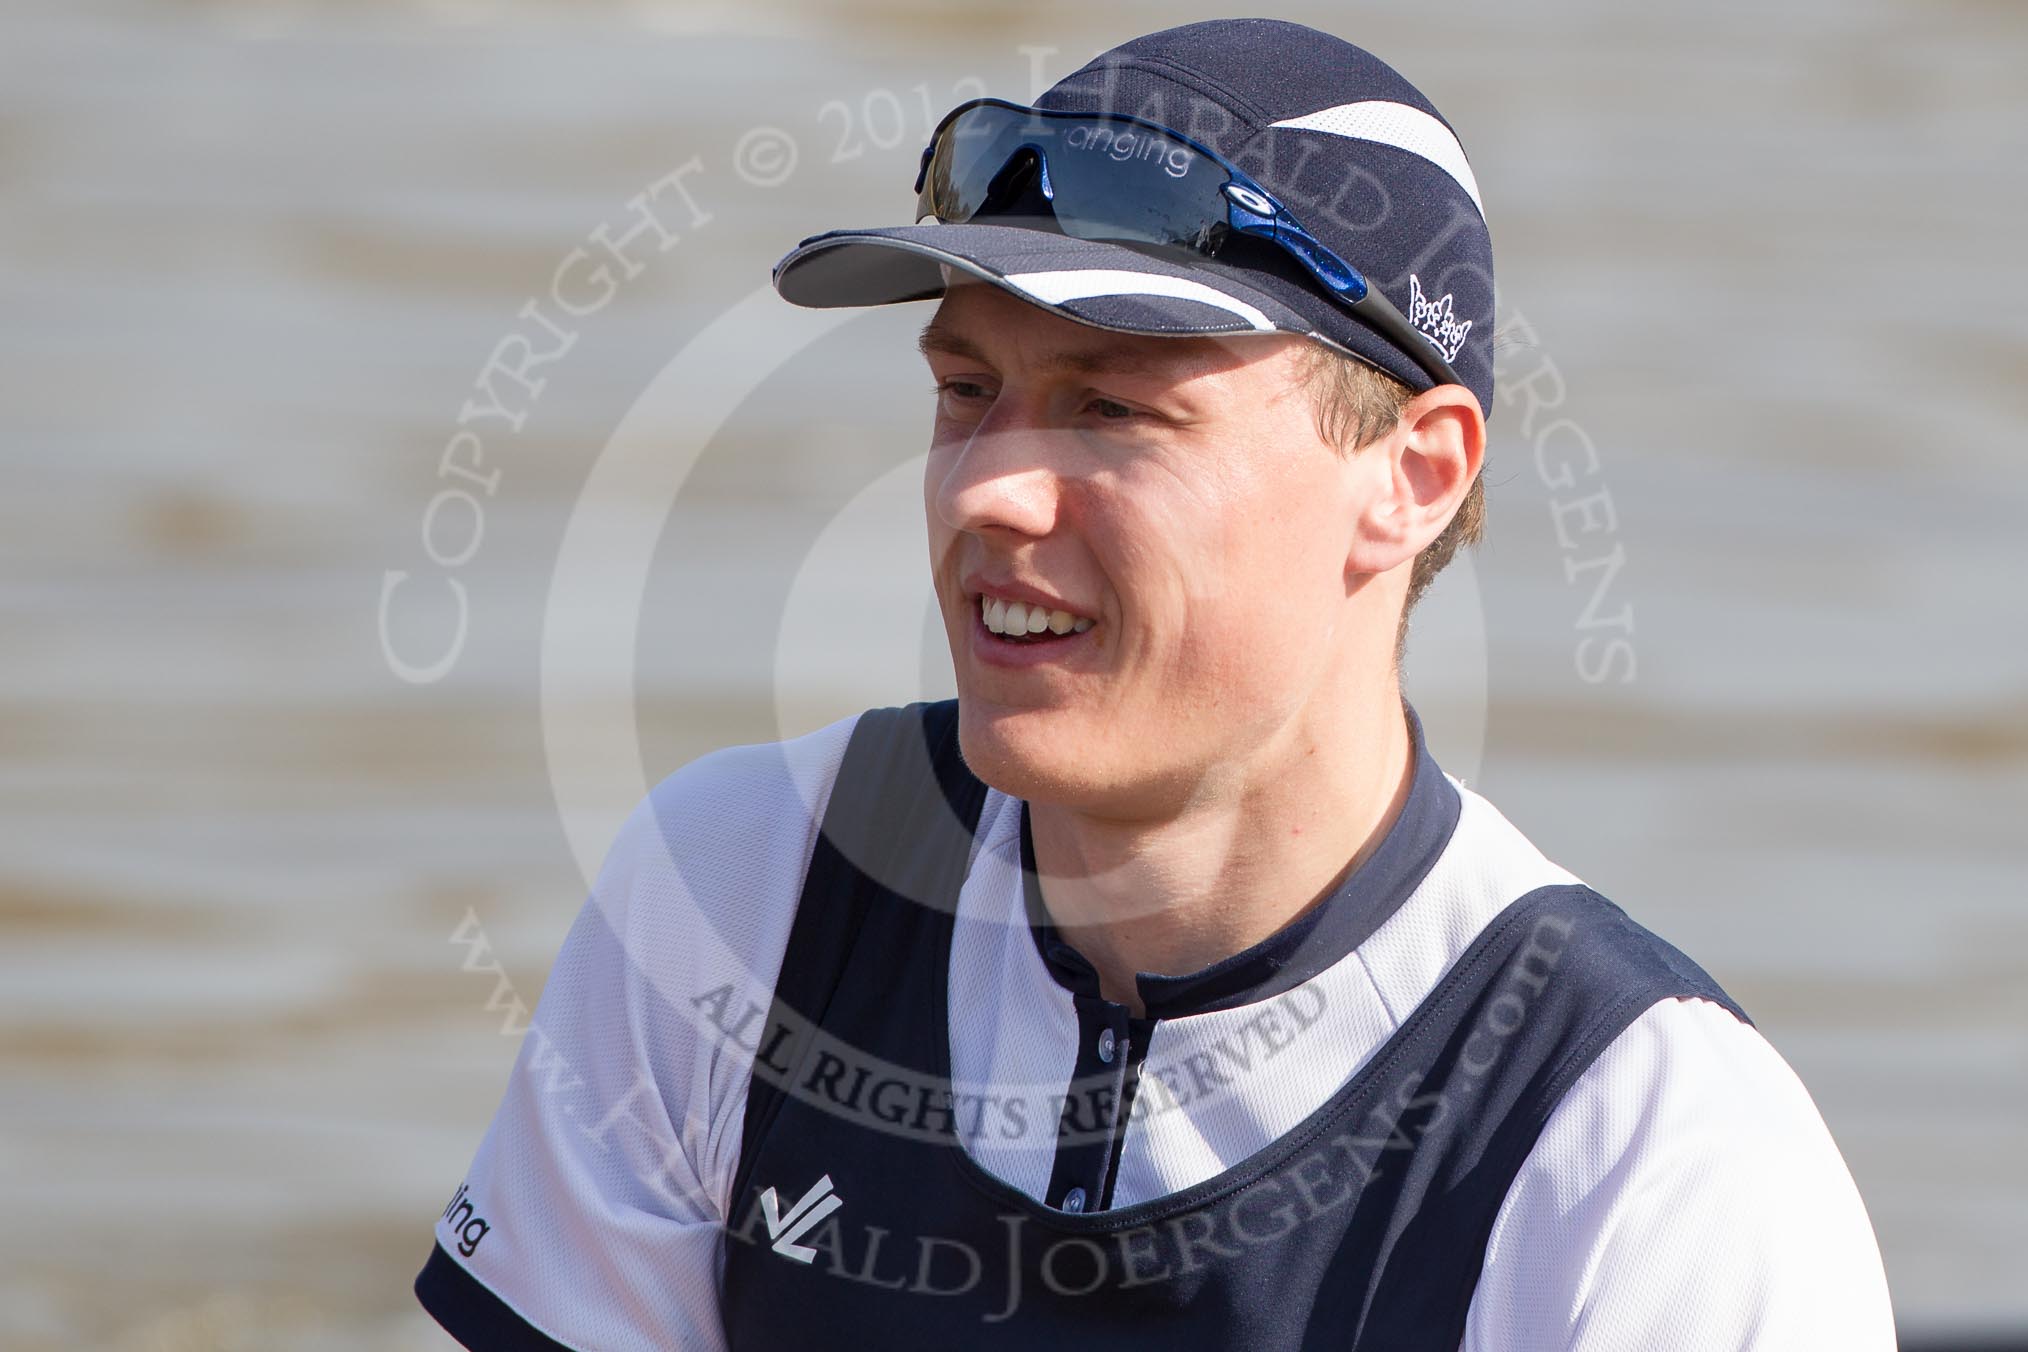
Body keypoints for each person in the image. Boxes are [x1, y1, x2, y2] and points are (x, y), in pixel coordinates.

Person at [415, 18, 1895, 1350]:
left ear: (1412, 477)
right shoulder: (740, 893)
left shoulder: (1647, 1158)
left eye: (1113, 408)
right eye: (966, 389)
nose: (985, 490)